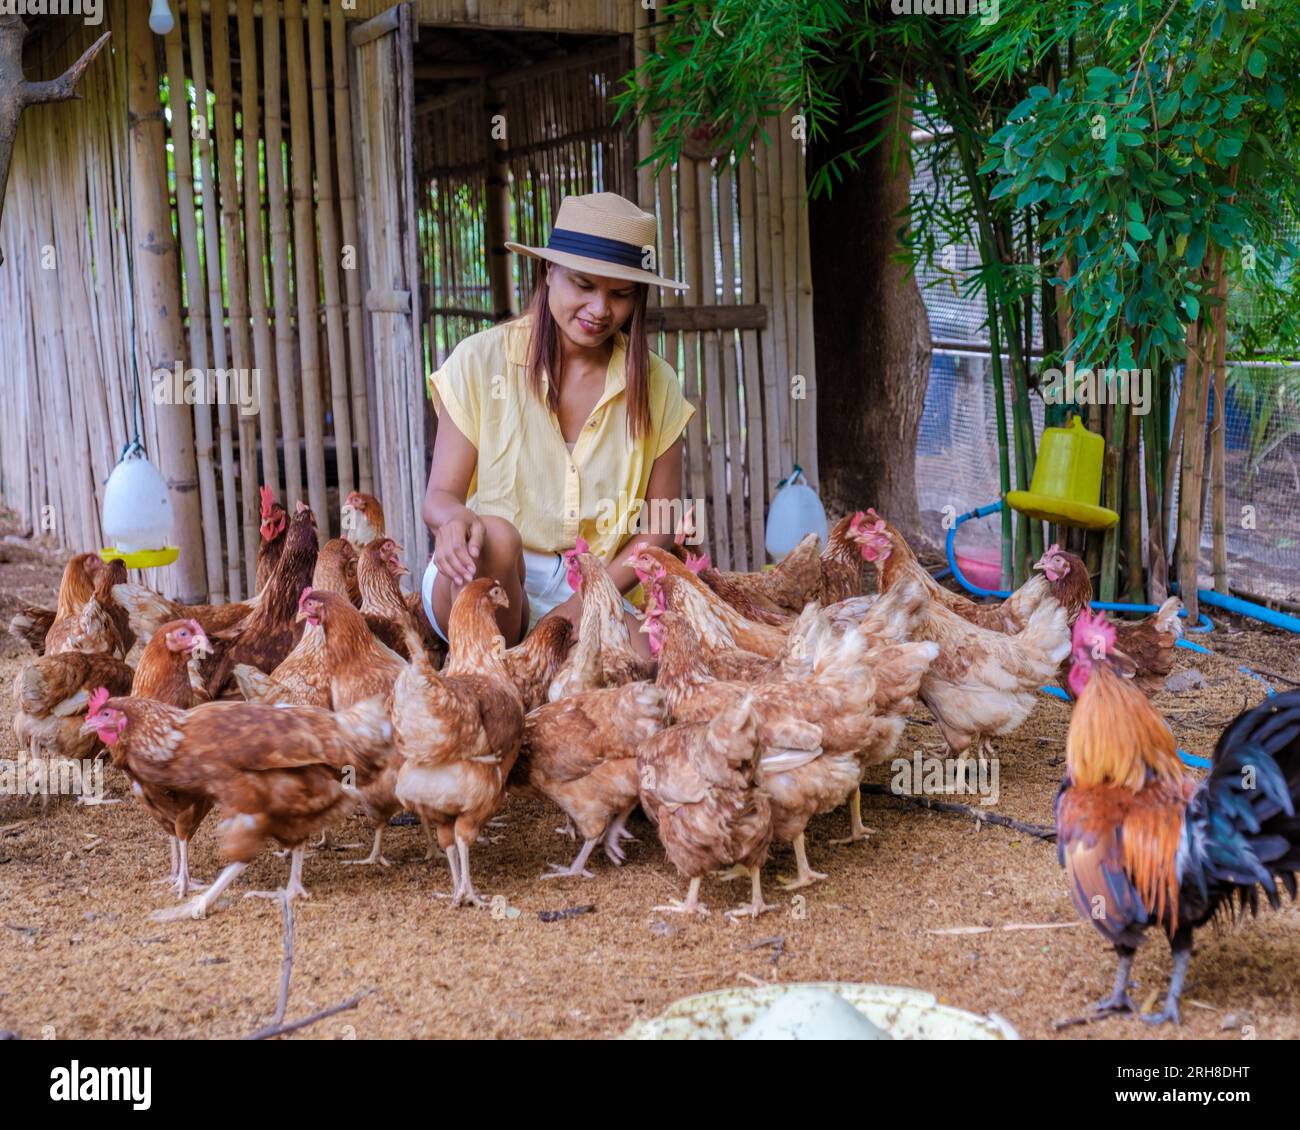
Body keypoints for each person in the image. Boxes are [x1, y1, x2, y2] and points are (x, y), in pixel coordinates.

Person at [421, 191, 694, 654]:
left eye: (620, 294)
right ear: (549, 274)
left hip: (594, 580)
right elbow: (440, 496)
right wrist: (451, 522)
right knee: (500, 538)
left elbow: (658, 530)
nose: (600, 309)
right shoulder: (480, 360)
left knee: (648, 661)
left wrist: (579, 605)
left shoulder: (658, 385)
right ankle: (496, 655)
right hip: (484, 572)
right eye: (583, 285)